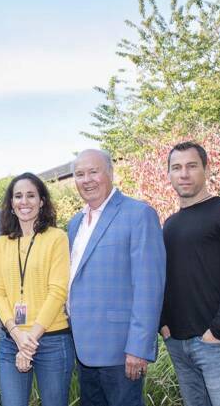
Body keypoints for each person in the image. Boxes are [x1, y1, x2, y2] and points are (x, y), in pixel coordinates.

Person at [160, 142, 220, 406]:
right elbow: (165, 278)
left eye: (192, 166)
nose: (184, 174)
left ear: (206, 170)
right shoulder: (169, 224)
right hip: (178, 343)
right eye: (176, 168)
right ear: (168, 174)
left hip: (217, 343)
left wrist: (219, 331)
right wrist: (164, 324)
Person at [68, 149, 166, 406]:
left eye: (93, 171)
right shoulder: (74, 224)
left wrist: (138, 347)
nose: (86, 179)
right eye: (80, 174)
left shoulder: (138, 214)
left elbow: (149, 287)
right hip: (83, 348)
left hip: (121, 351)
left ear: (110, 173)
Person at [0, 173, 74, 406]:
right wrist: (17, 334)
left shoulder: (57, 238)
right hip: (11, 341)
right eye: (18, 196)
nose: (24, 201)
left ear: (42, 201)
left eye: (30, 195)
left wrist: (29, 342)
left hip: (52, 341)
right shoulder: (0, 243)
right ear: (11, 204)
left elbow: (57, 291)